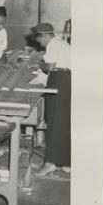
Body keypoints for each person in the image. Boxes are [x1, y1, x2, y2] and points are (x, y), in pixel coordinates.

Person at [32, 22, 71, 176]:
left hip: (60, 79)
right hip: (67, 79)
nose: (39, 42)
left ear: (46, 35)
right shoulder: (61, 42)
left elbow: (50, 67)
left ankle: (50, 163)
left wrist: (35, 63)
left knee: (54, 120)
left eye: (39, 39)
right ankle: (65, 163)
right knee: (63, 122)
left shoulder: (53, 44)